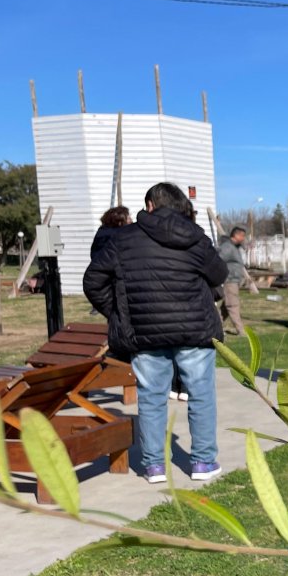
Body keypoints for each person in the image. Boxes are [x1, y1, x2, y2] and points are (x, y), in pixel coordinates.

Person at [84, 182, 228, 484]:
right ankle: (202, 462)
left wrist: (119, 312)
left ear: (150, 205)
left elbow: (93, 280)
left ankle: (154, 466)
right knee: (201, 395)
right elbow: (219, 274)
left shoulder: (123, 239)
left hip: (144, 332)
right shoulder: (195, 236)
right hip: (195, 329)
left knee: (151, 398)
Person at [217, 226, 248, 335]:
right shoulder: (227, 247)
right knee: (233, 305)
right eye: (242, 236)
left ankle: (215, 326)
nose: (243, 238)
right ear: (235, 235)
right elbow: (218, 261)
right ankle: (241, 331)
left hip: (234, 281)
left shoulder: (234, 247)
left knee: (226, 307)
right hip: (229, 281)